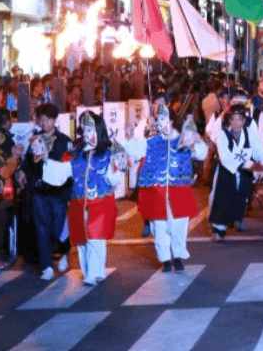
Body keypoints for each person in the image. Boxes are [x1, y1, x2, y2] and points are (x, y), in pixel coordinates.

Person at [127, 103, 208, 273]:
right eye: (158, 120)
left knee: (179, 225)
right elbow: (133, 149)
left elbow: (201, 153)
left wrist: (197, 141)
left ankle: (177, 256)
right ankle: (165, 259)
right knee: (160, 226)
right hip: (158, 191)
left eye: (163, 119)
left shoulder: (184, 140)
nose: (159, 123)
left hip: (179, 189)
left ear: (171, 121)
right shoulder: (151, 142)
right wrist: (129, 136)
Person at [67, 112, 124, 285]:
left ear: (98, 130)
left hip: (100, 202)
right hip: (78, 202)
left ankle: (92, 273)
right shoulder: (75, 153)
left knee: (95, 237)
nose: (85, 132)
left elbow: (114, 179)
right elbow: (64, 175)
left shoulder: (108, 152)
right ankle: (94, 272)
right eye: (84, 128)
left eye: (89, 128)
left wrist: (116, 169)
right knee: (82, 240)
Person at [21, 103, 74, 281]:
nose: (44, 123)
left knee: (57, 228)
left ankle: (63, 250)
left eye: (47, 119)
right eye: (41, 120)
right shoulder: (35, 140)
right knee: (41, 229)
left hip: (59, 193)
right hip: (39, 191)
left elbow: (69, 168)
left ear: (54, 120)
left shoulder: (64, 140)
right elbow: (28, 162)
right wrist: (22, 171)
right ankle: (46, 267)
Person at [210, 103, 263, 239]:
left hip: (243, 173)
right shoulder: (222, 135)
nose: (236, 122)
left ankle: (237, 220)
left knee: (242, 197)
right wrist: (243, 164)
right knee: (222, 199)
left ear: (243, 120)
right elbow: (225, 158)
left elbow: (258, 149)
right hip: (226, 172)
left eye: (239, 119)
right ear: (229, 120)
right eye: (233, 119)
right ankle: (218, 229)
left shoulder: (249, 133)